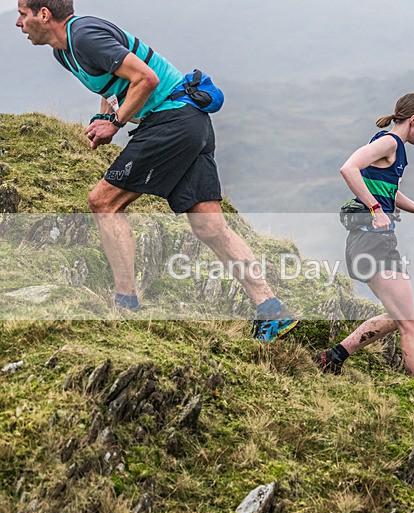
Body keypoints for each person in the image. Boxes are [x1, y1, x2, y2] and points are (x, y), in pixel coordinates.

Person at [15, 0, 296, 340]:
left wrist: (115, 124)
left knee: (104, 202)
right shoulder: (65, 51)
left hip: (172, 118)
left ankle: (125, 305)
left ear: (44, 14)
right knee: (210, 227)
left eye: (22, 13)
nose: (18, 23)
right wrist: (104, 116)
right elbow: (114, 82)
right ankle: (271, 309)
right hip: (189, 121)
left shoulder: (85, 36)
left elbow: (145, 78)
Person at [314, 93, 414, 376]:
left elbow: (391, 193)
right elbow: (348, 168)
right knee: (411, 325)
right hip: (372, 240)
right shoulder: (389, 142)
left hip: (370, 241)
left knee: (399, 317)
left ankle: (333, 357)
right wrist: (375, 209)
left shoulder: (394, 149)